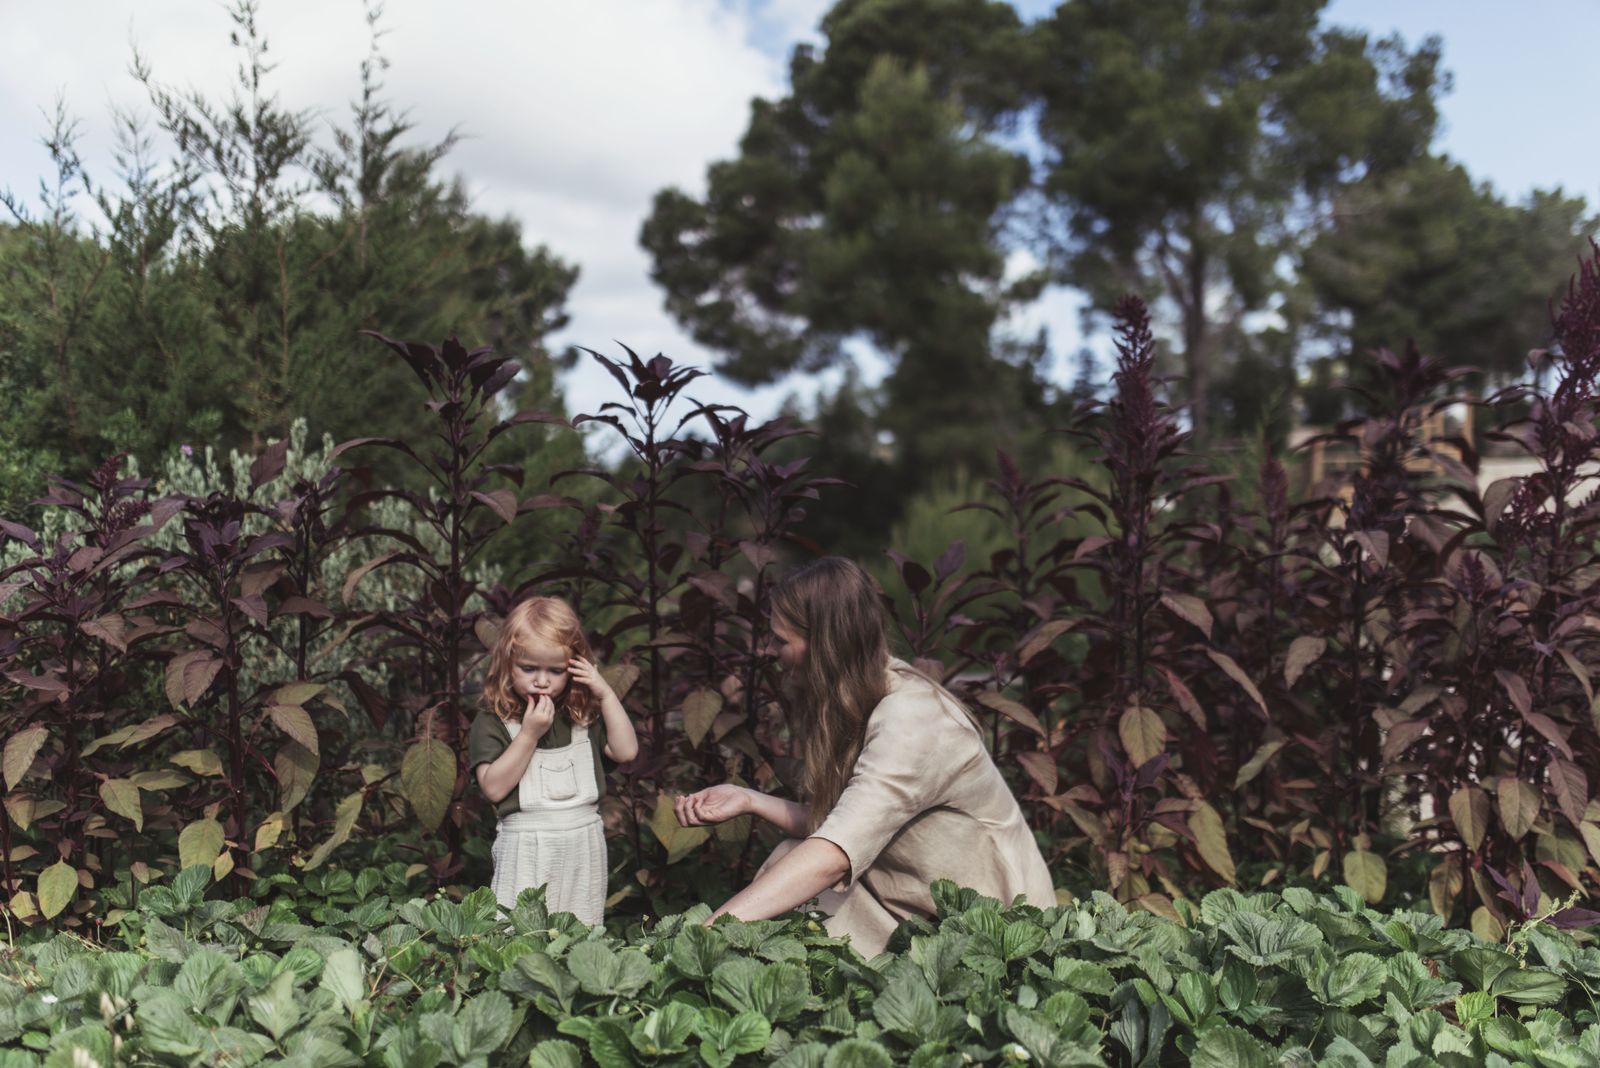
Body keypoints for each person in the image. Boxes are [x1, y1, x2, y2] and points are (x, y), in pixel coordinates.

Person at [674, 557, 1055, 956]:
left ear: (823, 644)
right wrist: (750, 799)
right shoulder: (869, 693)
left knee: (799, 882)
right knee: (789, 864)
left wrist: (706, 935)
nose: (770, 651)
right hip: (925, 910)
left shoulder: (912, 720)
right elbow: (840, 828)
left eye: (781, 641)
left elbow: (833, 855)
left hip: (1000, 930)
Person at [469, 596, 639, 924]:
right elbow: (492, 788)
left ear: (575, 667)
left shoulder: (580, 715)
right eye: (528, 668)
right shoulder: (494, 719)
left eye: (556, 670)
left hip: (582, 844)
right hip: (527, 846)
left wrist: (606, 695)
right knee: (519, 930)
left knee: (581, 927)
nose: (542, 680)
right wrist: (529, 735)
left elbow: (626, 752)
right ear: (507, 663)